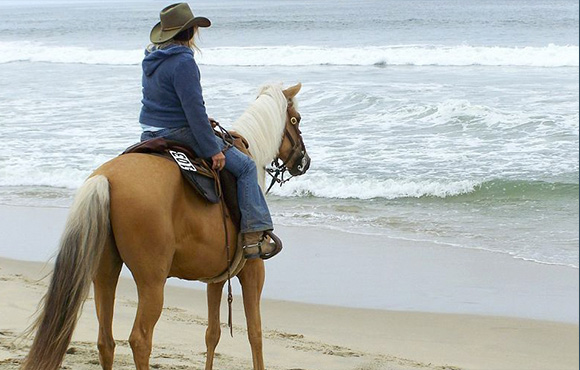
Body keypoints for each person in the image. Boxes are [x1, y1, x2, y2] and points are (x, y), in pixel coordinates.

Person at [139, 2, 279, 259]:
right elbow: (193, 110)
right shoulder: (183, 62)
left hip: (149, 133)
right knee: (246, 167)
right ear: (190, 33)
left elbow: (165, 102)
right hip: (176, 132)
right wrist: (212, 150)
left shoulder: (151, 59)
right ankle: (253, 236)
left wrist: (199, 118)